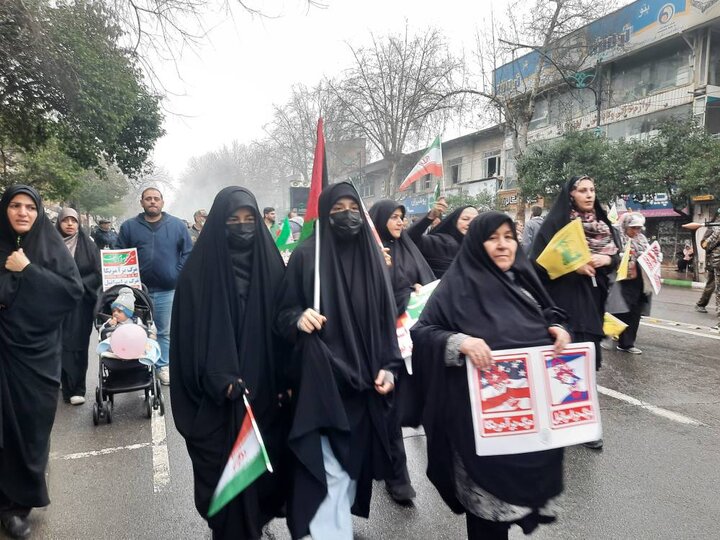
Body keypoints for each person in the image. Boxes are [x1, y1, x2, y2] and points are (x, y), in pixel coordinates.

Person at [411, 211, 570, 540]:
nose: (502, 245)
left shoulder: (522, 280)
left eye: (509, 237)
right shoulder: (457, 286)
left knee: (518, 500)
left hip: (526, 421)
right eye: (492, 238)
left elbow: (550, 310)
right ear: (476, 244)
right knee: (488, 518)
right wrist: (460, 342)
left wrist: (557, 327)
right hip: (479, 424)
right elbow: (424, 332)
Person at [275, 182, 402, 539]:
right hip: (322, 383)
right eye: (336, 210)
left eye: (352, 208)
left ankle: (332, 528)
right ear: (324, 215)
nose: (346, 215)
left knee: (350, 470)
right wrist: (299, 318)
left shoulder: (373, 257)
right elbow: (282, 314)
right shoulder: (306, 256)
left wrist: (390, 366)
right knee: (327, 471)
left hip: (366, 384)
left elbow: (386, 321)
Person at [171, 187, 288, 539]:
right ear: (218, 224)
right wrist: (218, 376)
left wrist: (286, 379)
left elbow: (283, 326)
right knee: (222, 470)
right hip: (217, 399)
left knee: (261, 468)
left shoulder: (272, 268)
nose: (242, 226)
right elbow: (187, 340)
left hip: (263, 391)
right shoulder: (196, 275)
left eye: (249, 219)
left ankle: (255, 522)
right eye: (233, 220)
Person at [0, 185, 82, 539]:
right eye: (15, 206)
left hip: (38, 355)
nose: (23, 213)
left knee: (30, 427)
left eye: (30, 207)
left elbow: (71, 292)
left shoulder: (49, 247)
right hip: (2, 350)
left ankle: (21, 501)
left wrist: (28, 270)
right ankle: (6, 503)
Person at [529, 175, 620, 449]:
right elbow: (537, 262)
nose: (589, 194)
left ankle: (584, 423)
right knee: (563, 361)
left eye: (592, 190)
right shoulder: (557, 223)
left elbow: (618, 258)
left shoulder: (602, 224)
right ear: (571, 194)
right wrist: (572, 264)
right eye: (582, 190)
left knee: (587, 360)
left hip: (593, 301)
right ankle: (559, 420)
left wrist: (607, 258)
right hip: (563, 302)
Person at [368, 199, 436, 504]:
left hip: (412, 345)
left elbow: (427, 283)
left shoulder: (408, 248)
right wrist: (404, 294)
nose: (399, 222)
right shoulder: (370, 253)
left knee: (409, 406)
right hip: (381, 344)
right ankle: (398, 478)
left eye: (401, 217)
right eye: (393, 217)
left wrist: (421, 291)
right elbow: (368, 299)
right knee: (389, 410)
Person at [118, 187, 192, 386]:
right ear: (142, 202)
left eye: (156, 198)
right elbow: (119, 253)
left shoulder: (177, 226)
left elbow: (187, 253)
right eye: (148, 198)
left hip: (167, 290)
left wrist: (176, 273)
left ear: (162, 202)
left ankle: (162, 366)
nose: (152, 201)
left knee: (163, 331)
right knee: (134, 330)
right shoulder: (129, 227)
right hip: (136, 291)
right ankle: (137, 367)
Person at [56, 207, 102, 405]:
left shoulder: (88, 245)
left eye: (73, 221)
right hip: (56, 302)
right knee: (59, 343)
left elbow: (97, 273)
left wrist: (78, 285)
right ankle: (65, 382)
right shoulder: (50, 243)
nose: (69, 224)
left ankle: (77, 388)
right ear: (59, 222)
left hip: (81, 303)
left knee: (78, 344)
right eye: (65, 220)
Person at [605, 212, 652, 354]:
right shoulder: (616, 238)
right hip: (620, 281)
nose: (636, 231)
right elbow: (609, 255)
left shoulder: (642, 239)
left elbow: (648, 254)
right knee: (620, 309)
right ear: (625, 226)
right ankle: (608, 334)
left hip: (638, 280)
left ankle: (627, 343)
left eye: (639, 228)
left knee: (635, 310)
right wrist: (619, 257)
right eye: (633, 228)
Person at [407, 198, 478, 278]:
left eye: (476, 220)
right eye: (465, 219)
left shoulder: (481, 248)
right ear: (454, 221)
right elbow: (409, 239)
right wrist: (430, 217)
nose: (470, 223)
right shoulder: (440, 242)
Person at [696, 209, 720, 314]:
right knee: (711, 285)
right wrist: (717, 236)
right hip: (715, 261)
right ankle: (701, 304)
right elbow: (704, 244)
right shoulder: (713, 227)